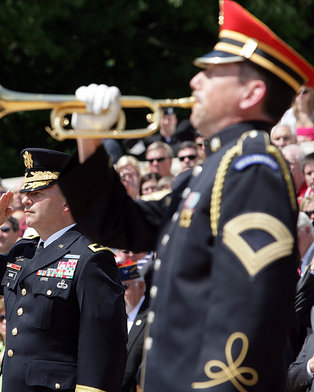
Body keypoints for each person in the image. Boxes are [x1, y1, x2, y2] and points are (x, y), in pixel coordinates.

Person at [58, 1, 313, 390]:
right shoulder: (213, 168)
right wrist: (89, 140)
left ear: (252, 92)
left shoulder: (253, 166)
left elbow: (250, 309)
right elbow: (119, 224)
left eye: (211, 72)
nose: (195, 80)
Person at [0, 148, 127, 392]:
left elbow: (104, 349)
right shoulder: (23, 251)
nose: (25, 199)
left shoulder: (91, 258)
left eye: (37, 193)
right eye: (27, 191)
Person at [117, 258, 151, 392]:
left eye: (125, 287)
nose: (121, 294)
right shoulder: (115, 315)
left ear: (141, 286)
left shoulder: (151, 318)